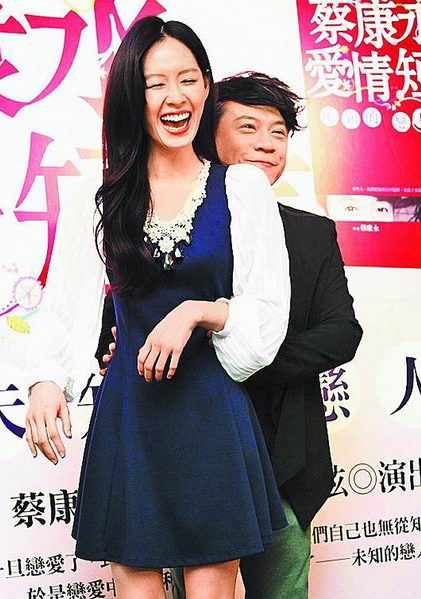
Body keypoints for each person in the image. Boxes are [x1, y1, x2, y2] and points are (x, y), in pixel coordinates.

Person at [24, 18, 291, 599]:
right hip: (131, 415)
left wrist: (199, 310)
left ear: (206, 88)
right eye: (156, 83)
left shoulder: (242, 189)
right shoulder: (98, 197)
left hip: (212, 412)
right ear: (131, 94)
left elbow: (267, 315)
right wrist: (46, 380)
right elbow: (64, 307)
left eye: (188, 79)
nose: (176, 96)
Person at [98, 71, 363, 599]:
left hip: (281, 454)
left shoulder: (312, 233)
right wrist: (117, 353)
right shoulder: (157, 218)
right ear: (208, 135)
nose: (267, 144)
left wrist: (229, 352)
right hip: (178, 440)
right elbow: (116, 324)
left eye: (278, 132)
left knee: (281, 587)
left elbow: (341, 333)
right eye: (248, 127)